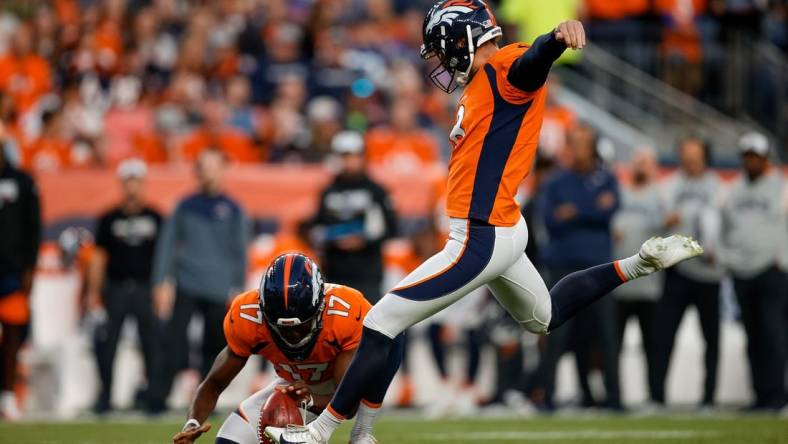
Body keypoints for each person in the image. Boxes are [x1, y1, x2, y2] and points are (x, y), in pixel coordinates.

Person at [267, 2, 702, 442]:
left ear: (463, 40)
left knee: (379, 323)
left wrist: (553, 39)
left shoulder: (504, 66)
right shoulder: (481, 82)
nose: (440, 60)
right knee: (543, 318)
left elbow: (530, 64)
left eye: (443, 48)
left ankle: (323, 433)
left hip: (481, 233)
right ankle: (640, 263)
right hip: (504, 228)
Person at [172, 253, 389, 444]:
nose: (292, 334)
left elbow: (348, 404)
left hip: (334, 392)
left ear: (320, 308)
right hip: (290, 387)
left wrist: (309, 400)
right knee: (229, 440)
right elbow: (214, 382)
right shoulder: (247, 316)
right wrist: (192, 423)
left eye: (300, 326)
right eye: (281, 327)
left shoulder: (345, 313)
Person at [151, 149, 250, 411]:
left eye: (212, 165)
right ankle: (158, 397)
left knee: (213, 347)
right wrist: (161, 281)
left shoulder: (233, 209)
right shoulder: (185, 206)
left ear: (221, 169)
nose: (207, 171)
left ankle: (205, 401)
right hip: (187, 283)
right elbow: (168, 245)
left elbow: (240, 250)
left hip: (219, 287)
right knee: (173, 341)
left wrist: (238, 288)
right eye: (202, 166)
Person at [532, 123, 621, 410]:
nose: (580, 148)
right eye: (576, 142)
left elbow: (609, 210)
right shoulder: (556, 181)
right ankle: (547, 397)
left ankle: (615, 399)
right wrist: (592, 208)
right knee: (556, 334)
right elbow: (552, 221)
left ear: (593, 146)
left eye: (585, 142)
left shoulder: (607, 178)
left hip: (599, 266)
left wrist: (575, 210)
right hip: (564, 266)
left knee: (607, 335)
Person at [86, 158, 163, 414]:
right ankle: (105, 395)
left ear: (143, 184)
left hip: (145, 288)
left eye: (136, 181)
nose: (132, 186)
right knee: (108, 344)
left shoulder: (156, 217)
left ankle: (154, 397)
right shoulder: (109, 218)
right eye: (128, 181)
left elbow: (164, 258)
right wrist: (94, 292)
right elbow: (98, 258)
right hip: (116, 287)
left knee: (151, 344)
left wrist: (162, 287)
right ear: (122, 184)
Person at [652, 136, 722, 408]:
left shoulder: (718, 186)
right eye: (687, 153)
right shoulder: (669, 186)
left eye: (696, 153)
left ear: (705, 155)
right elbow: (655, 223)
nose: (691, 159)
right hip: (676, 270)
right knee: (664, 336)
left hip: (709, 272)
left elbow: (723, 225)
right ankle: (657, 396)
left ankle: (709, 398)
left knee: (711, 339)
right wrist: (664, 221)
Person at [720, 132, 787, 411]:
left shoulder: (781, 186)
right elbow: (723, 229)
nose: (751, 162)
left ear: (765, 159)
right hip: (742, 271)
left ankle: (776, 395)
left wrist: (781, 258)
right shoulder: (733, 190)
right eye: (747, 156)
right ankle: (760, 395)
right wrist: (729, 259)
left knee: (774, 334)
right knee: (753, 336)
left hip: (772, 271)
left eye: (755, 157)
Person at [306, 131, 398, 305]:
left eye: (354, 156)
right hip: (335, 271)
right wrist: (331, 238)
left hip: (368, 272)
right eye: (345, 156)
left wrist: (364, 239)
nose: (350, 162)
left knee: (367, 323)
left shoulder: (377, 191)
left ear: (363, 157)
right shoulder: (327, 191)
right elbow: (316, 228)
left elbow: (391, 229)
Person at [611, 148, 665, 405]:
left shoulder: (661, 195)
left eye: (646, 162)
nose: (641, 167)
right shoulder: (619, 192)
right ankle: (615, 397)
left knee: (654, 345)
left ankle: (655, 395)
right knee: (613, 345)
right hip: (620, 281)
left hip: (650, 283)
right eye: (638, 162)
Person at [0, 138, 41, 421]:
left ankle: (8, 395)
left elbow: (33, 225)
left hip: (12, 270)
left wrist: (29, 267)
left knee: (13, 335)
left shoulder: (22, 181)